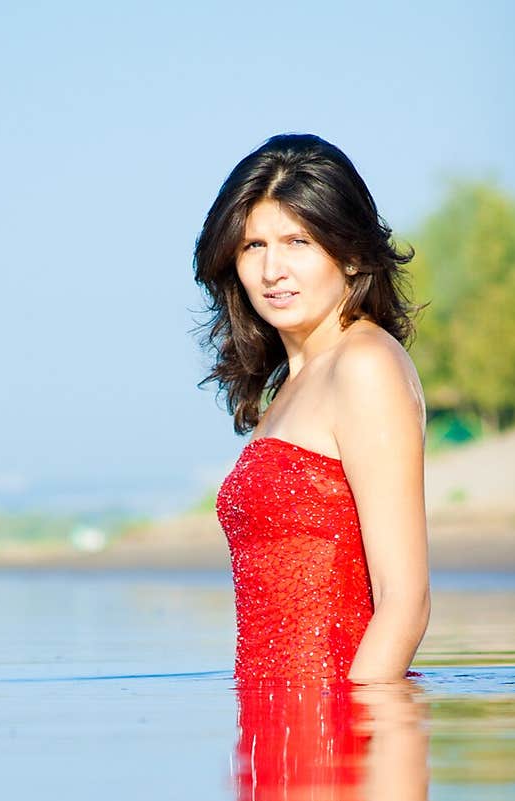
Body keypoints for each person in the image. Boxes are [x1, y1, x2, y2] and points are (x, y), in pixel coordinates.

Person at [193, 133, 430, 684]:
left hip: (335, 740)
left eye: (297, 241)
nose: (272, 269)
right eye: (253, 246)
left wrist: (363, 732)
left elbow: (405, 604)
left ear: (349, 253)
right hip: (271, 736)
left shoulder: (365, 364)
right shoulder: (290, 388)